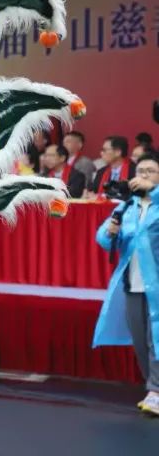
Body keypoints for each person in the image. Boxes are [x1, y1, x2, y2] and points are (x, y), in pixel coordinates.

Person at [93, 152, 159, 416]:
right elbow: (103, 239)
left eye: (150, 171)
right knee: (140, 339)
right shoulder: (127, 207)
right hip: (133, 283)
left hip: (156, 285)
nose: (143, 175)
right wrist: (109, 233)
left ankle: (156, 391)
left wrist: (153, 191)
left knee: (156, 338)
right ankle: (153, 386)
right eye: (140, 171)